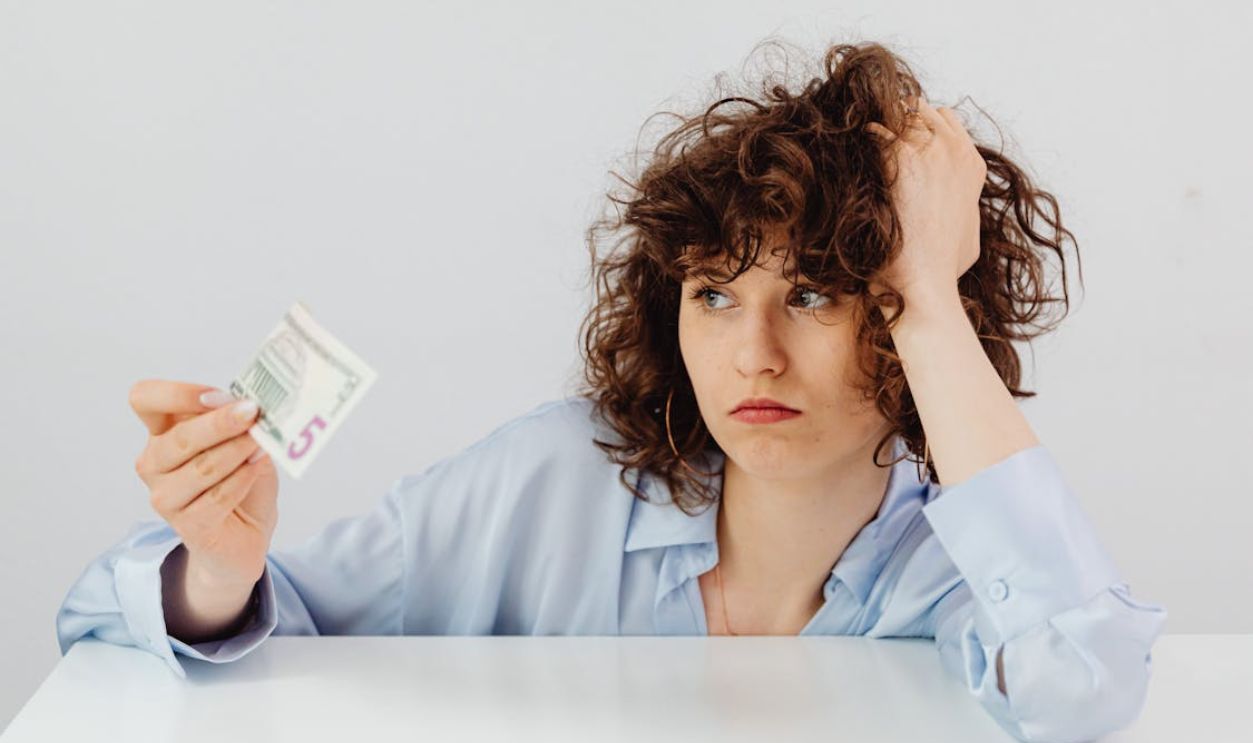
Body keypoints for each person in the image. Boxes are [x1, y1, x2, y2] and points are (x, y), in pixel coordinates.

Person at [56, 40, 1167, 742]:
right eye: (713, 296)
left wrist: (925, 283)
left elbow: (1084, 685)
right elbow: (115, 627)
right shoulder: (549, 482)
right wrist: (216, 568)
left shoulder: (952, 574)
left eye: (818, 296)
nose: (753, 356)